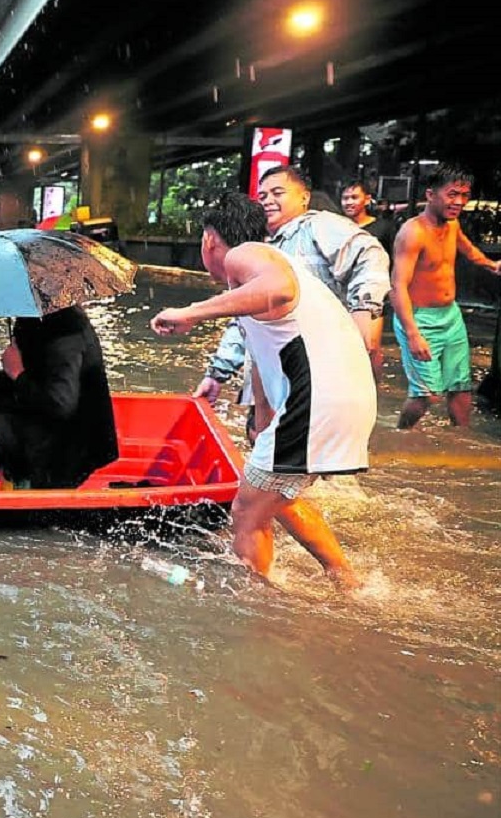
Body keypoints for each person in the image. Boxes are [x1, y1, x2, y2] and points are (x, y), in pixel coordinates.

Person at [152, 192, 375, 593]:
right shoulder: (262, 267)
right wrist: (261, 424)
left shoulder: (245, 255)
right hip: (342, 397)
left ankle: (256, 603)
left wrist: (190, 312)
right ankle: (346, 581)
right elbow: (262, 358)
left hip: (319, 400)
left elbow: (280, 290)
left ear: (208, 240)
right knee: (276, 495)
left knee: (246, 508)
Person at [195, 166, 391, 403]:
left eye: (278, 193)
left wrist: (365, 309)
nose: (268, 201)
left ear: (304, 197)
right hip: (277, 364)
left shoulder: (317, 225)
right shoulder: (262, 247)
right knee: (262, 430)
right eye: (263, 196)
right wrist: (217, 374)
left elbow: (369, 254)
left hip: (319, 358)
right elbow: (245, 316)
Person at [0, 305, 118, 491]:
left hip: (60, 447)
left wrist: (16, 373)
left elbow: (60, 405)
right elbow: (40, 373)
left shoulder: (66, 331)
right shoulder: (35, 317)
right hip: (33, 414)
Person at [391, 164, 501, 429]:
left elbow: (467, 248)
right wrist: (413, 333)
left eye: (464, 195)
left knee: (460, 387)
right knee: (426, 394)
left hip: (450, 316)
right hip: (419, 319)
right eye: (452, 194)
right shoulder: (413, 232)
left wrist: (492, 265)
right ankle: (399, 434)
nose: (460, 202)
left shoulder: (452, 225)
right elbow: (398, 287)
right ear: (431, 195)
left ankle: (460, 441)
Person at [340, 180, 396, 262]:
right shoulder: (337, 227)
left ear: (367, 199)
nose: (349, 202)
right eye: (345, 198)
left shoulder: (384, 227)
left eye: (354, 197)